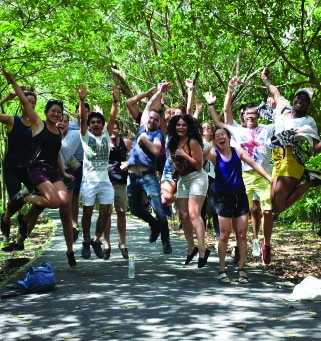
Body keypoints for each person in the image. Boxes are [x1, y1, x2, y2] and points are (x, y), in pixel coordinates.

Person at [1, 69, 76, 267]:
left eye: (59, 112)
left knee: (60, 202)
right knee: (51, 201)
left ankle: (23, 221)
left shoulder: (58, 131)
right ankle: (24, 197)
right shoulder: (36, 123)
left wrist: (64, 172)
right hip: (35, 170)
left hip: (52, 170)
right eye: (53, 111)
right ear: (46, 112)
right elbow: (25, 103)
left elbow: (56, 154)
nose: (56, 114)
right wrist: (13, 83)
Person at [204, 126, 271, 283]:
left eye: (223, 134)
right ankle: (222, 270)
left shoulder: (237, 151)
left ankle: (242, 269)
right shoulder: (214, 154)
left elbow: (254, 164)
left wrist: (269, 178)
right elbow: (203, 153)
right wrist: (211, 142)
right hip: (223, 198)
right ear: (215, 140)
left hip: (240, 196)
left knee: (242, 234)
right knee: (225, 235)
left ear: (228, 137)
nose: (221, 137)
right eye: (217, 135)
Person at [220, 78, 275, 264]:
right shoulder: (235, 130)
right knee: (240, 213)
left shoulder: (267, 129)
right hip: (242, 176)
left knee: (267, 211)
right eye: (247, 114)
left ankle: (266, 244)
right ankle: (238, 245)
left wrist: (273, 104)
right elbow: (226, 111)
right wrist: (230, 89)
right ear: (243, 116)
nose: (250, 117)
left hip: (264, 175)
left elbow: (282, 119)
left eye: (254, 114)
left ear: (258, 115)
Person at [261, 68, 321, 213]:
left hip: (290, 159)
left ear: (307, 105)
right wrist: (265, 79)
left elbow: (316, 147)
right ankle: (306, 176)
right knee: (271, 203)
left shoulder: (307, 121)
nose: (301, 101)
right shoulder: (283, 107)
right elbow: (275, 92)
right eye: (299, 97)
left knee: (278, 207)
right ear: (294, 99)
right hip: (277, 160)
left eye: (305, 100)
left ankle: (311, 181)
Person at [127, 83, 172, 254]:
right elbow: (147, 107)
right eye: (150, 119)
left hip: (147, 176)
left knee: (159, 209)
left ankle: (166, 240)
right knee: (135, 209)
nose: (152, 121)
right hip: (132, 176)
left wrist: (145, 140)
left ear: (159, 122)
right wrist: (158, 92)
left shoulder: (157, 134)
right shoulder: (141, 127)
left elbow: (155, 149)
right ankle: (154, 226)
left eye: (156, 120)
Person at [77, 84, 118, 260]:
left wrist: (115, 100)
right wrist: (82, 100)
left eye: (98, 122)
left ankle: (96, 239)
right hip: (89, 182)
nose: (95, 124)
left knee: (105, 212)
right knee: (87, 213)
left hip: (105, 182)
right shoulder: (85, 137)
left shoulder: (106, 136)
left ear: (102, 125)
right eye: (92, 122)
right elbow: (81, 119)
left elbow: (113, 116)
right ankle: (86, 240)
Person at [167, 114, 210, 267]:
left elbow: (199, 165)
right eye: (178, 125)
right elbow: (176, 163)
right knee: (183, 215)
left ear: (188, 127)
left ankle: (203, 249)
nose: (181, 128)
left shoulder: (193, 142)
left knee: (194, 214)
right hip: (183, 179)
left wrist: (184, 154)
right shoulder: (172, 143)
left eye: (184, 125)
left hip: (197, 177)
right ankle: (191, 247)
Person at [0, 89, 35, 240]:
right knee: (16, 199)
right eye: (28, 102)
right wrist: (4, 100)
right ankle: (5, 219)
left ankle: (24, 219)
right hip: (12, 167)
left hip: (30, 168)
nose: (31, 105)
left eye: (34, 103)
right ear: (21, 104)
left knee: (42, 196)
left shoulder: (38, 123)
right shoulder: (12, 120)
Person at [104, 121, 131, 260]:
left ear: (118, 129)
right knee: (106, 214)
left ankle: (123, 244)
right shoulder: (103, 141)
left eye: (115, 127)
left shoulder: (125, 142)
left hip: (121, 181)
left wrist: (128, 163)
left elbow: (136, 155)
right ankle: (107, 244)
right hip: (106, 182)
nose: (113, 130)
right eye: (110, 128)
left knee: (121, 212)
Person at [57, 114, 81, 242]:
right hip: (50, 173)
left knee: (68, 204)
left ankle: (71, 228)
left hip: (67, 172)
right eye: (60, 120)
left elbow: (85, 129)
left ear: (68, 125)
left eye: (65, 121)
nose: (62, 123)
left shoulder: (74, 135)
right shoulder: (47, 133)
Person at [68, 102, 90, 238]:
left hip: (89, 165)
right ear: (76, 112)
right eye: (81, 110)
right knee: (74, 197)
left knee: (88, 198)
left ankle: (87, 230)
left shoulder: (93, 126)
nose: (83, 113)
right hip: (73, 164)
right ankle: (74, 225)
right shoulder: (70, 126)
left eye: (86, 111)